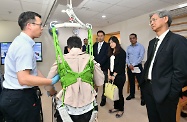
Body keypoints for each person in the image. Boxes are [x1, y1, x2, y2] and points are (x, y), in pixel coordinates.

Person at [0, 11, 60, 122]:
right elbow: (24, 79)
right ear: (29, 26)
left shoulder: (22, 42)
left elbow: (34, 71)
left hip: (12, 97)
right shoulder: (24, 46)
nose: (42, 28)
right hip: (20, 100)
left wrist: (49, 88)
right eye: (40, 25)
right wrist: (51, 81)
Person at [140, 10, 187, 122]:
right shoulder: (152, 42)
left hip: (165, 92)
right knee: (153, 118)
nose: (151, 22)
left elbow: (181, 71)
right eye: (150, 21)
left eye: (154, 19)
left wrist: (171, 94)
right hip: (148, 88)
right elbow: (150, 64)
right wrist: (144, 84)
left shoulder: (178, 41)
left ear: (165, 19)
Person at [46, 36, 104, 122]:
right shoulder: (90, 59)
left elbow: (48, 82)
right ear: (81, 47)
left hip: (67, 104)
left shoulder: (60, 60)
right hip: (87, 104)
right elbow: (100, 81)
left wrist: (52, 91)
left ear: (68, 48)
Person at [107, 36, 126, 118]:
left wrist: (114, 75)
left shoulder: (122, 52)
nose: (111, 44)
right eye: (110, 43)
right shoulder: (111, 52)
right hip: (111, 75)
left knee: (119, 93)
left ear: (116, 42)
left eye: (112, 42)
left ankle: (121, 109)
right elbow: (108, 65)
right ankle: (116, 107)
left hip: (119, 76)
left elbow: (121, 66)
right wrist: (108, 75)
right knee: (114, 92)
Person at [126, 33, 145, 106]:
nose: (132, 39)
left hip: (137, 66)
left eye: (133, 38)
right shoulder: (128, 47)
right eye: (130, 38)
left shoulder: (141, 47)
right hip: (129, 67)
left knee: (141, 82)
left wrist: (133, 64)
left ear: (136, 38)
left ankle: (143, 97)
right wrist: (128, 64)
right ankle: (132, 94)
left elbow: (141, 57)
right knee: (131, 81)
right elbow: (126, 57)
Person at [93, 30, 109, 106]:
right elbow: (93, 55)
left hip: (104, 67)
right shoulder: (95, 45)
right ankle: (94, 98)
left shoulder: (107, 45)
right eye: (98, 36)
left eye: (101, 36)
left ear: (104, 36)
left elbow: (106, 56)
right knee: (95, 83)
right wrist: (95, 64)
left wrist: (100, 63)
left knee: (104, 84)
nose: (100, 37)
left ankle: (103, 99)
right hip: (95, 67)